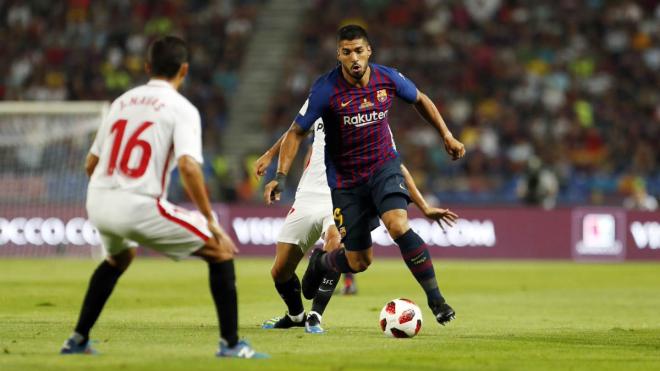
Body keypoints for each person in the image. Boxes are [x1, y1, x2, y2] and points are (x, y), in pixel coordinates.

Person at [59, 36, 267, 359]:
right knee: (221, 251)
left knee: (119, 258)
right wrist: (211, 221)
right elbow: (188, 166)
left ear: (147, 68)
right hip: (137, 203)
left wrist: (111, 194)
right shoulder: (181, 108)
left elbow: (91, 163)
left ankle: (77, 339)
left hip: (97, 200)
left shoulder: (121, 102)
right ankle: (230, 344)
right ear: (184, 70)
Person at [263, 25, 465, 326]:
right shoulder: (325, 89)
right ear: (339, 55)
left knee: (398, 225)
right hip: (346, 182)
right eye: (347, 52)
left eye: (359, 50)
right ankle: (322, 261)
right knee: (360, 261)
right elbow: (296, 132)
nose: (354, 58)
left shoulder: (388, 78)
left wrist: (446, 135)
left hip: (383, 169)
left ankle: (437, 300)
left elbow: (421, 99)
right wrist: (279, 175)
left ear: (369, 51)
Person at [255, 117, 457, 333]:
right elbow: (294, 131)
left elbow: (394, 165)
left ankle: (315, 314)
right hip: (308, 195)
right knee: (280, 270)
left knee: (337, 243)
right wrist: (270, 154)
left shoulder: (373, 120)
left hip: (341, 193)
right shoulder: (323, 98)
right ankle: (296, 316)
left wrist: (424, 206)